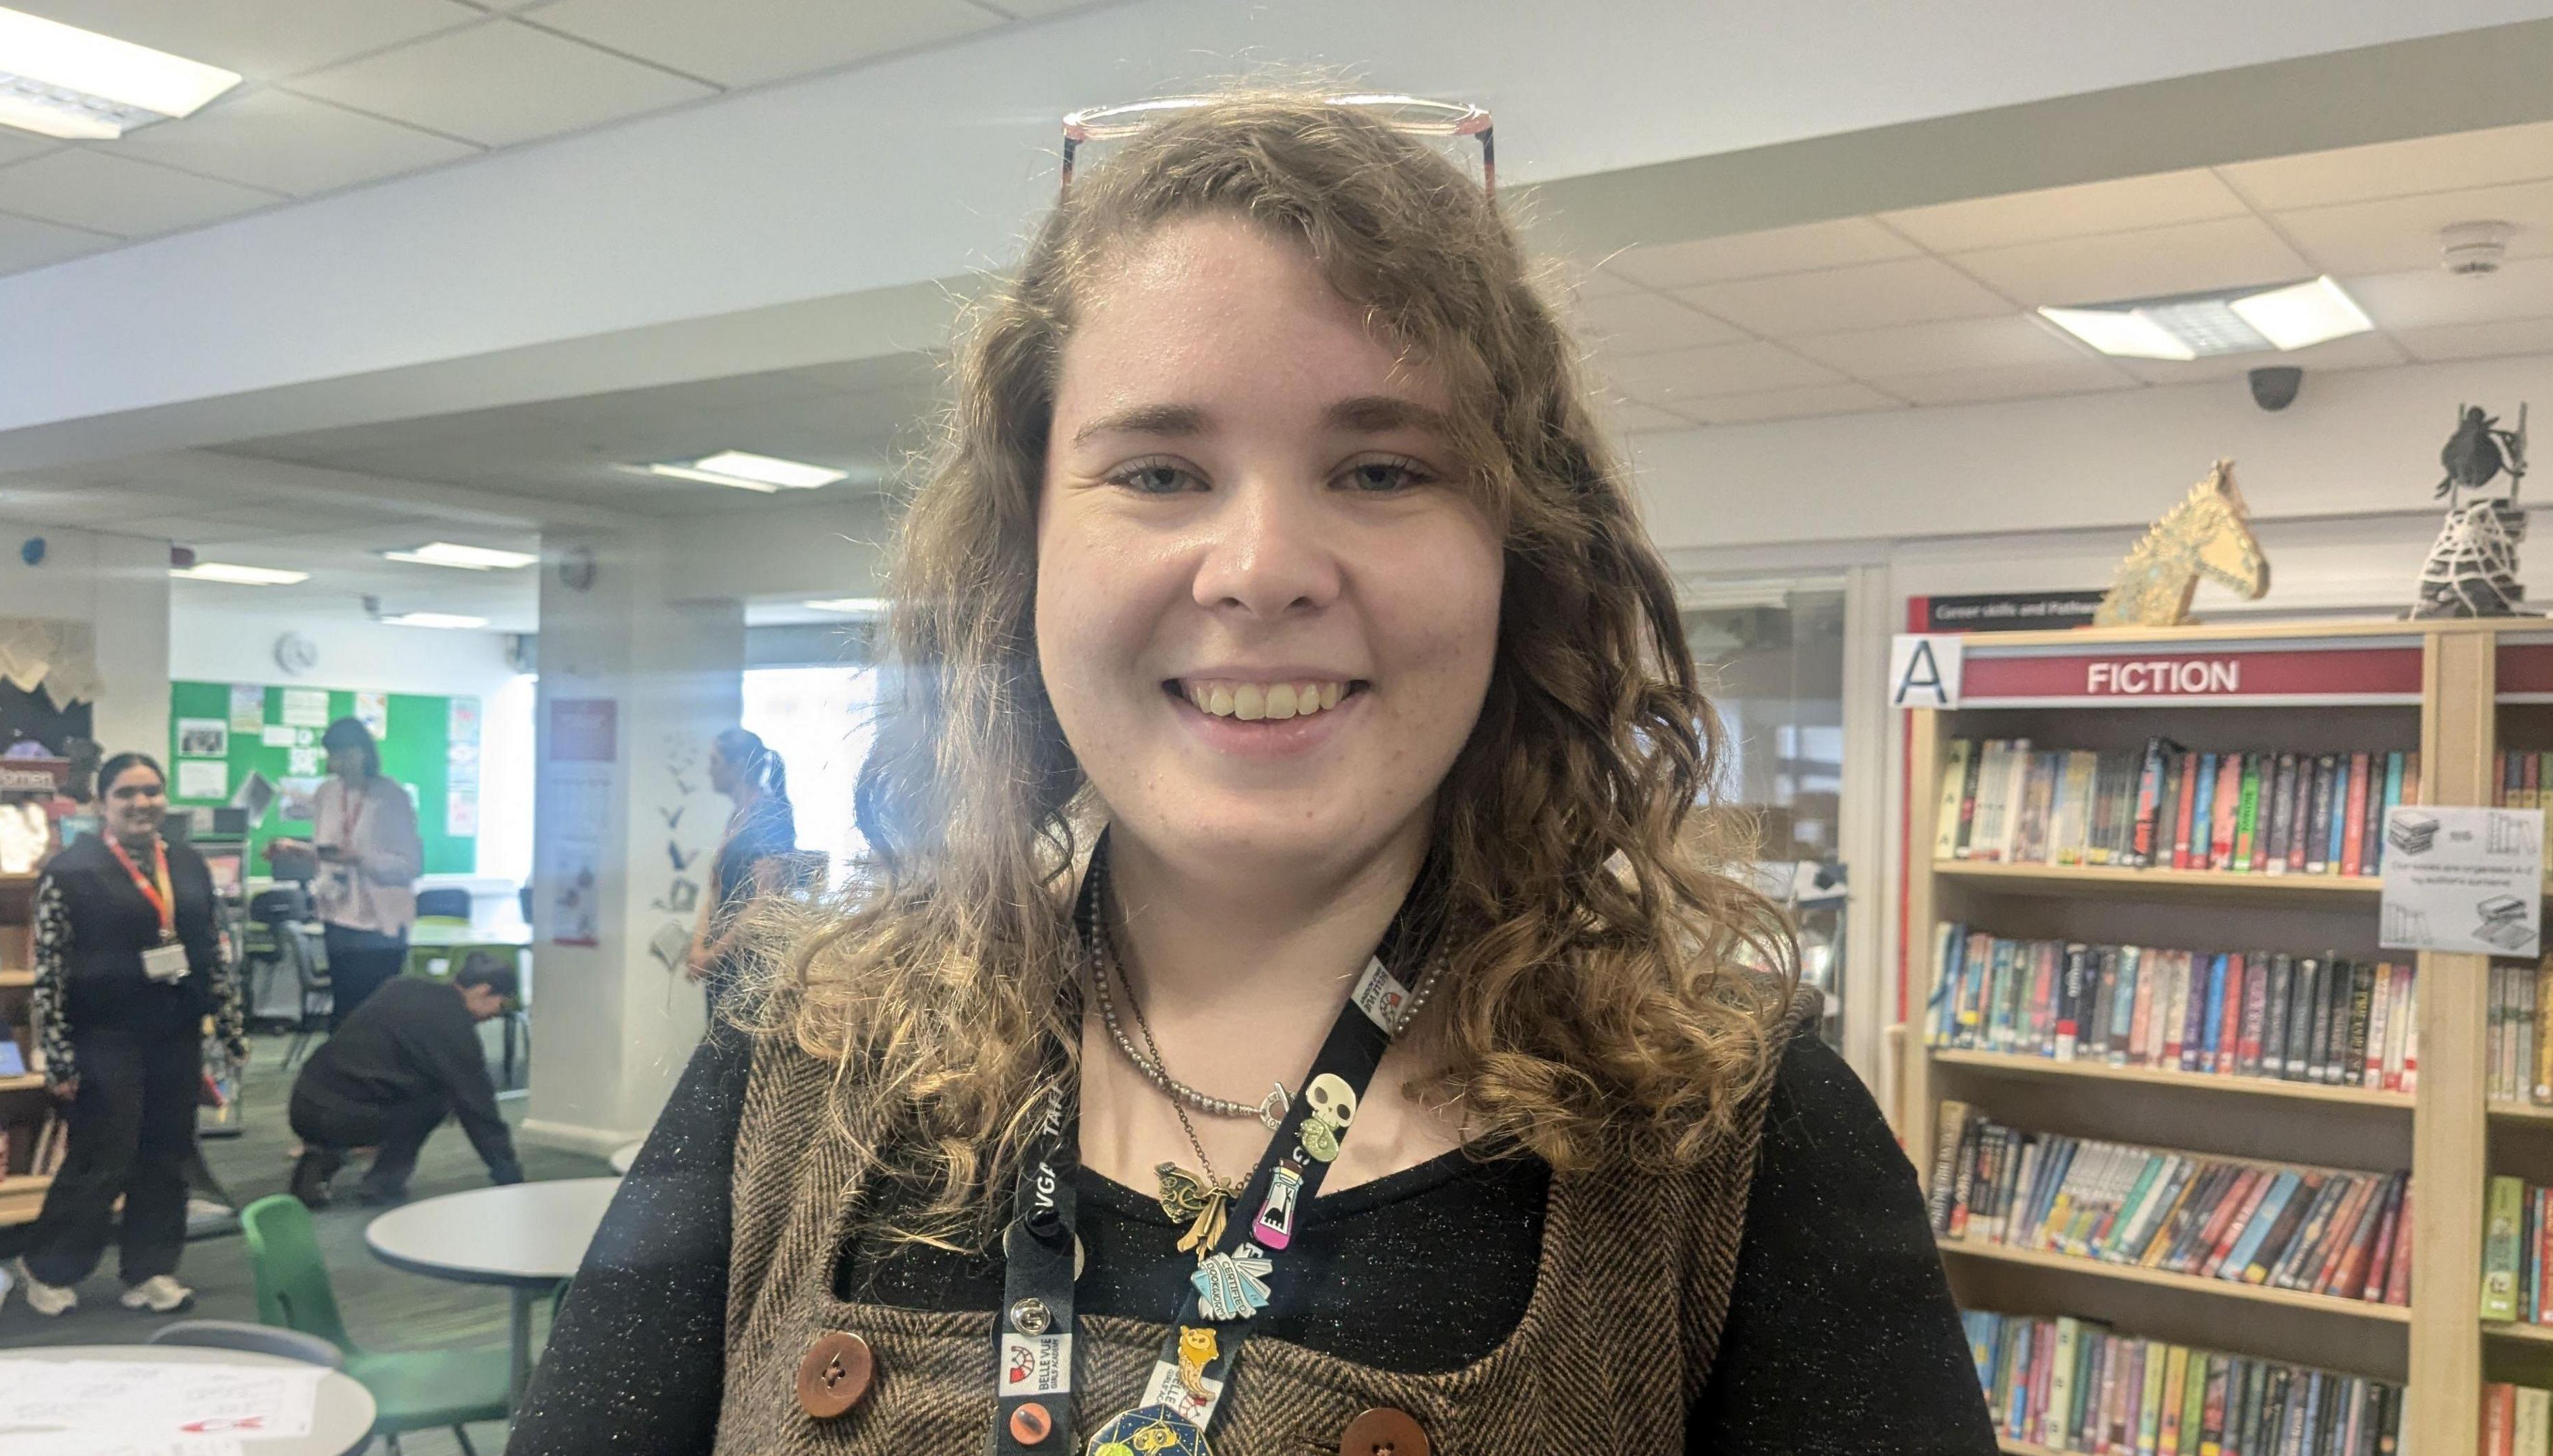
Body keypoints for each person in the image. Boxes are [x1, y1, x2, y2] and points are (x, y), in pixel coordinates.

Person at [511, 92, 1991, 1454]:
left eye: (1384, 468)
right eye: (1159, 471)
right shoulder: (802, 1056)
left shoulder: (1731, 1130)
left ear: (1522, 557)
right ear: (1027, 547)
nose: (1263, 569)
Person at [19, 752, 246, 1316]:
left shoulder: (190, 865)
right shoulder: (70, 869)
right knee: (104, 1153)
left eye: (152, 791)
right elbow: (48, 969)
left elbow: (213, 953)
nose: (142, 803)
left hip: (176, 1031)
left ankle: (150, 1269)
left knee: (167, 1153)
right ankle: (50, 1265)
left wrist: (232, 1028)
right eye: (126, 793)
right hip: (104, 1034)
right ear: (102, 803)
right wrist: (58, 1055)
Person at [287, 952, 525, 1207]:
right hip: (346, 1116)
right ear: (483, 991)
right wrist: (509, 1174)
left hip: (304, 1102)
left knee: (376, 1087)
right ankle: (382, 1183)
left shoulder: (402, 986)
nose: (496, 1015)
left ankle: (321, 1159)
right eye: (500, 1005)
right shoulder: (454, 1027)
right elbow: (479, 1109)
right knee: (439, 1097)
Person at [275, 716, 424, 1027]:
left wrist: (359, 858)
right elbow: (326, 851)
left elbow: (409, 866)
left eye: (340, 755)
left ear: (362, 753)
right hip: (337, 917)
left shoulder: (392, 797)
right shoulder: (328, 794)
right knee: (344, 1013)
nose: (333, 765)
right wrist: (295, 850)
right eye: (330, 756)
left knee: (376, 1016)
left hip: (381, 924)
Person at [682, 726, 795, 1012]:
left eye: (715, 762)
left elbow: (766, 901)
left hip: (750, 965)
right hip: (723, 962)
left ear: (740, 765)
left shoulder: (769, 816)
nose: (709, 771)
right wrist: (698, 949)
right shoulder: (738, 816)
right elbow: (716, 890)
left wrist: (711, 956)